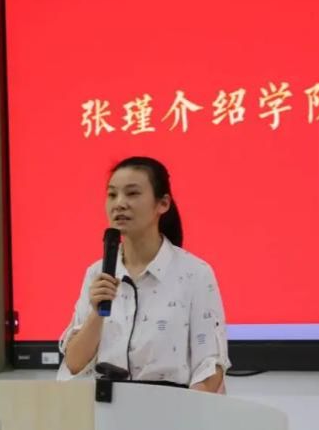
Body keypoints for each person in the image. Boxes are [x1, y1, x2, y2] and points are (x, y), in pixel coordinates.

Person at [57, 156, 230, 393]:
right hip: (106, 406)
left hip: (172, 406)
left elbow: (210, 365)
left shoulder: (195, 273)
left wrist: (188, 410)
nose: (119, 204)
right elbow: (74, 364)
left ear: (163, 204)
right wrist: (97, 313)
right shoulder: (97, 272)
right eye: (112, 194)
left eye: (132, 193)